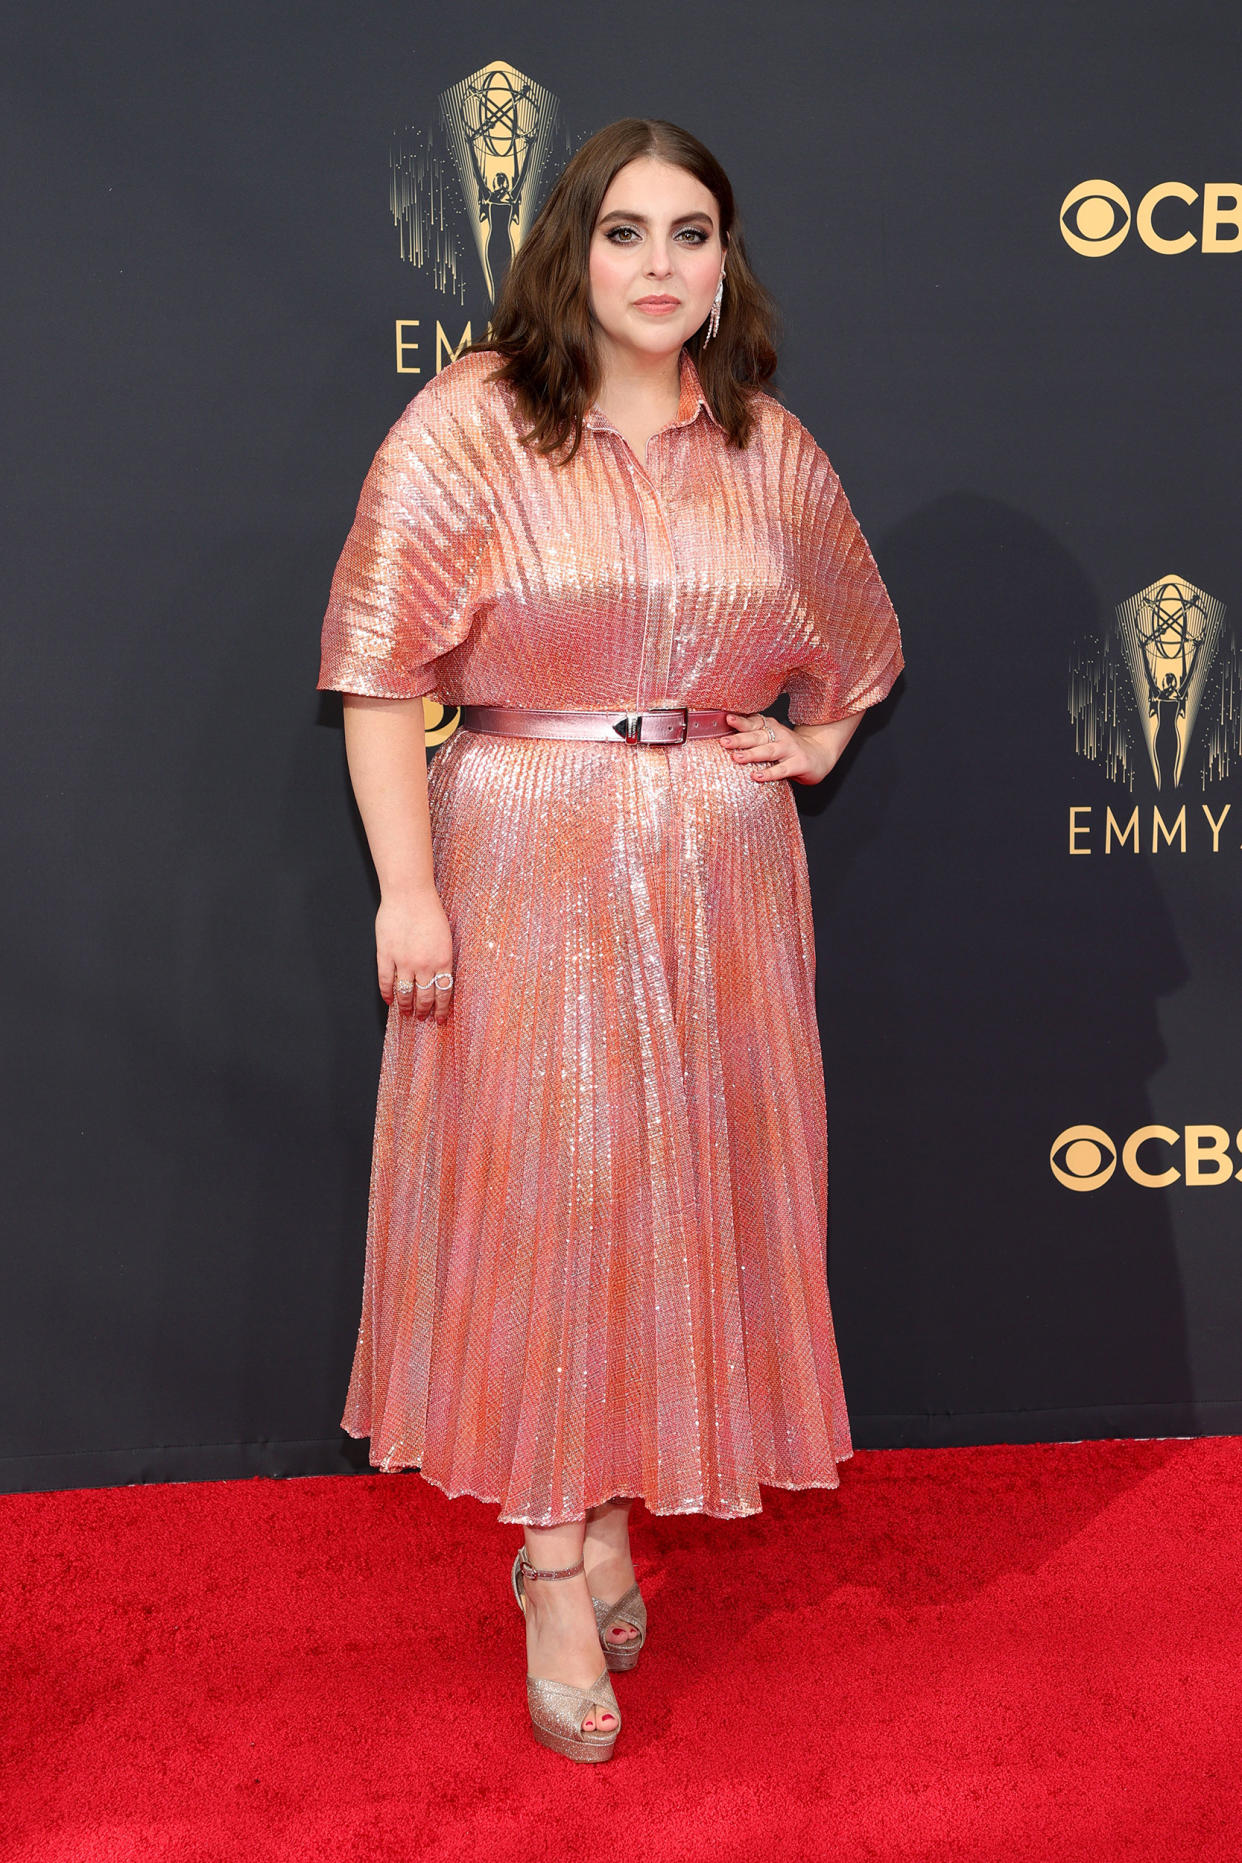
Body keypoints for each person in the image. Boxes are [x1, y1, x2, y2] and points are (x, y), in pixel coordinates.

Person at [317, 117, 903, 1764]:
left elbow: (850, 635)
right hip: (524, 854)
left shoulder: (765, 447)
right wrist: (407, 884)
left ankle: (615, 1500)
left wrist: (817, 738)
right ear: (569, 250)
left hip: (721, 865)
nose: (661, 266)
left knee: (682, 1194)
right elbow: (379, 675)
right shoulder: (474, 422)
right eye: (628, 232)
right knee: (559, 1203)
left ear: (727, 262)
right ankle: (553, 1559)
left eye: (693, 233)